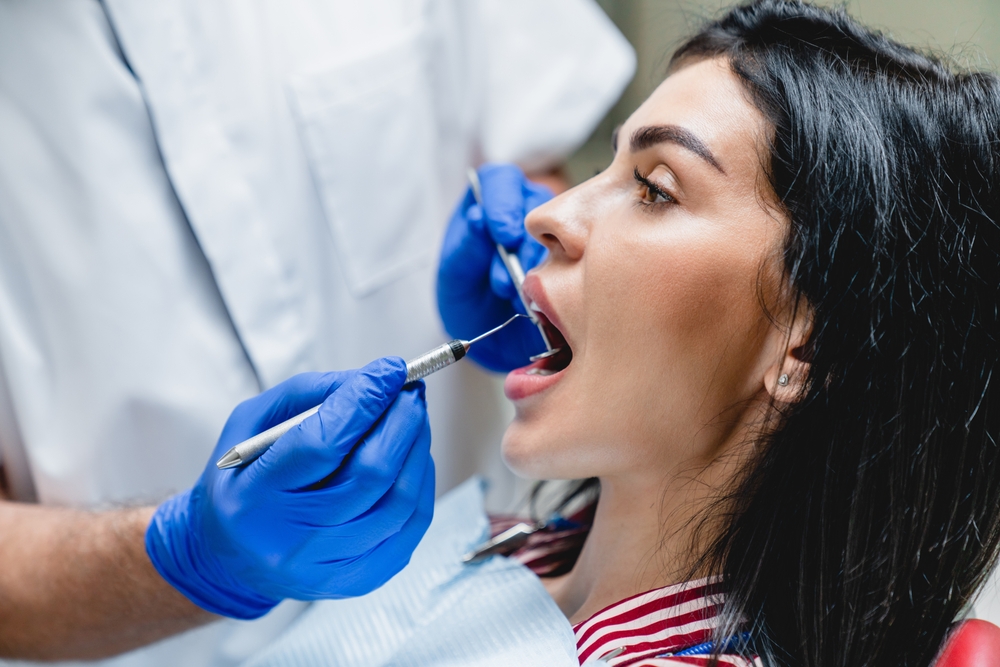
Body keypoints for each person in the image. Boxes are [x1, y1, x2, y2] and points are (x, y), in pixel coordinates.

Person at [0, 0, 635, 664]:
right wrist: (191, 557)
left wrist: (534, 278)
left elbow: (531, 153)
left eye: (653, 190)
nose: (560, 224)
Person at [432, 1, 1000, 665]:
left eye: (654, 188)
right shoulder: (505, 546)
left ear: (807, 346)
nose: (548, 215)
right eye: (603, 169)